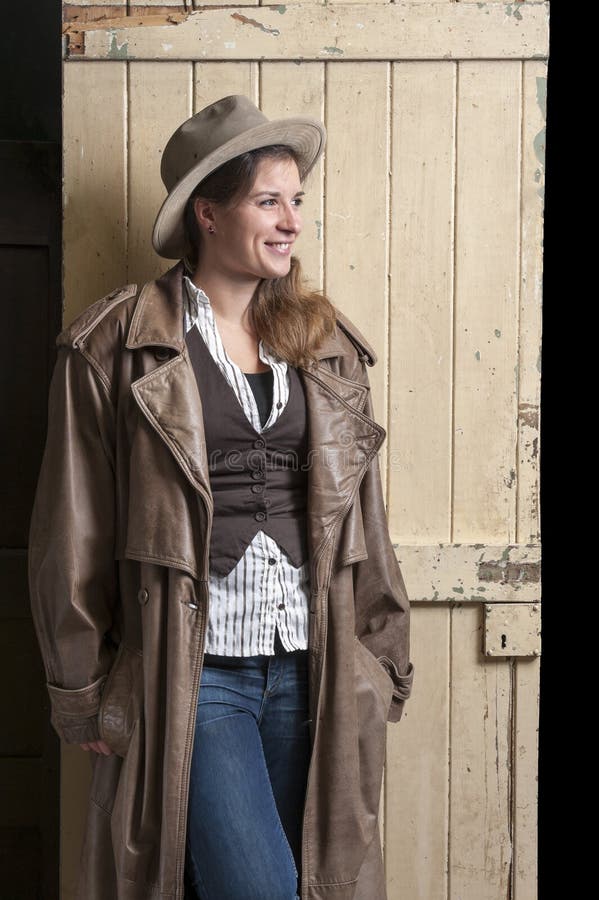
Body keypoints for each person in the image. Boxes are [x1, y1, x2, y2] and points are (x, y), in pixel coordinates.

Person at [28, 95, 415, 900]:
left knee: (309, 883)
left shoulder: (325, 345)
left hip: (313, 666)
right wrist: (82, 689)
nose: (291, 222)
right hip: (192, 673)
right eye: (268, 201)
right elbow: (72, 525)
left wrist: (379, 657)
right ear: (207, 213)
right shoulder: (114, 344)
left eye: (295, 201)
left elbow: (361, 518)